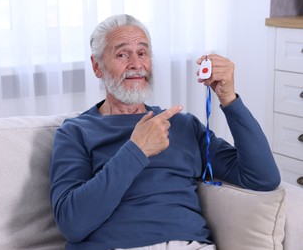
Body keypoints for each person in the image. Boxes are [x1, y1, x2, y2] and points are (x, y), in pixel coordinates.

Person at [49, 14, 280, 250]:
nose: (136, 65)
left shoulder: (182, 124)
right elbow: (72, 224)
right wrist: (136, 151)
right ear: (97, 66)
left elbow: (262, 177)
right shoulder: (76, 132)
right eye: (121, 54)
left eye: (142, 53)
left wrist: (229, 99)